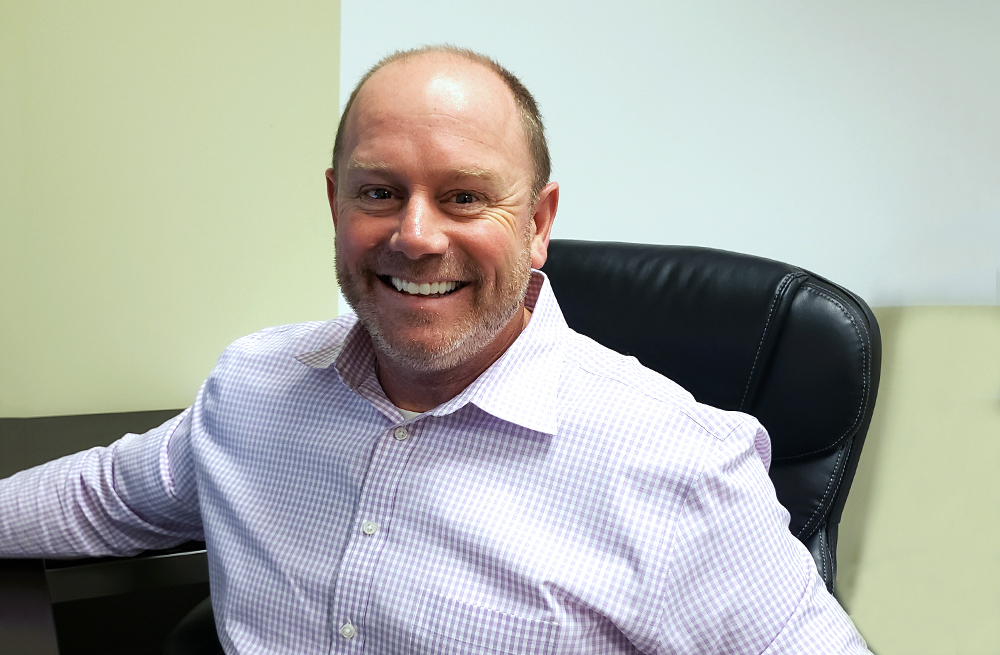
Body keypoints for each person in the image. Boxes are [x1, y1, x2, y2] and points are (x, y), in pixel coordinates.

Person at [0, 46, 871, 654]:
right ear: (336, 203)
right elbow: (109, 494)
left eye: (463, 196)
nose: (415, 237)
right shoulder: (256, 387)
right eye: (380, 192)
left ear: (537, 225)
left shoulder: (677, 466)